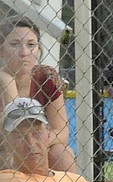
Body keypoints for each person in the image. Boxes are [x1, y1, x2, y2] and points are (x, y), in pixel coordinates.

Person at [0, 18, 75, 172]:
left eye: (31, 45)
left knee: (62, 153)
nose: (24, 53)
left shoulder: (45, 76)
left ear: (39, 49)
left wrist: (37, 141)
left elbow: (62, 131)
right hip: (4, 151)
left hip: (38, 145)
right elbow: (11, 138)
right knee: (10, 157)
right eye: (14, 45)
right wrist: (8, 84)